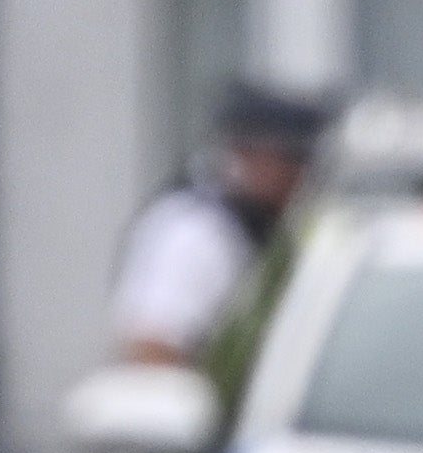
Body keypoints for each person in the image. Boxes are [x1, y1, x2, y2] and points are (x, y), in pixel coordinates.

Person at [110, 81, 324, 366]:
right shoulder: (197, 232)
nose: (300, 177)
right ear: (246, 153)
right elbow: (153, 349)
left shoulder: (257, 225)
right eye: (292, 160)